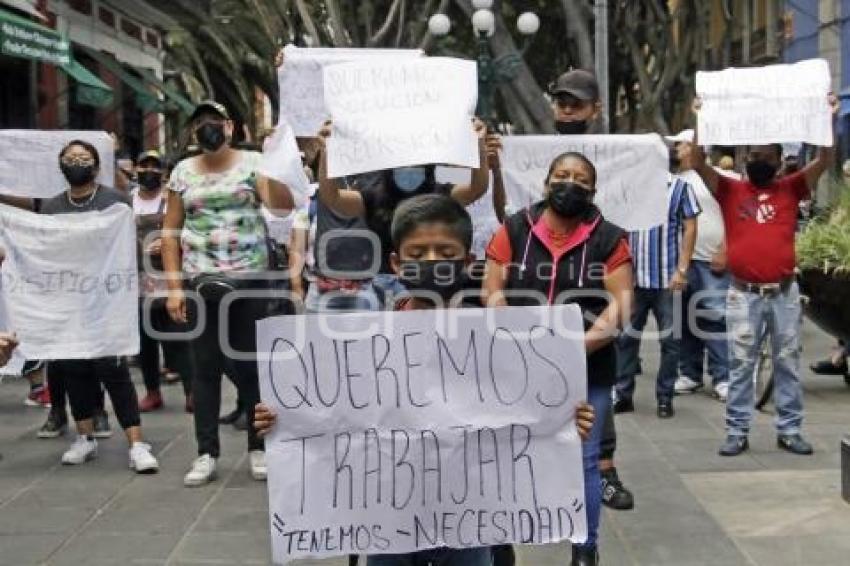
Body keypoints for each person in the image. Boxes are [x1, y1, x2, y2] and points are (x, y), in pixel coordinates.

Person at [255, 193, 596, 566]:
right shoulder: (362, 340)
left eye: (445, 253)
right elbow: (331, 412)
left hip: (472, 521)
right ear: (397, 264)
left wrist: (561, 426)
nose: (432, 262)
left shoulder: (498, 339)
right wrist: (283, 420)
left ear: (468, 262)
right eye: (418, 255)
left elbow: (526, 413)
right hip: (387, 522)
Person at [483, 153, 633, 566]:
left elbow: (621, 304)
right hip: (517, 365)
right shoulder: (515, 228)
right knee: (506, 453)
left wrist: (576, 347)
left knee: (584, 459)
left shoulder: (610, 238)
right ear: (546, 182)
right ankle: (500, 544)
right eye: (562, 175)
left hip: (587, 368)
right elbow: (492, 285)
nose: (570, 182)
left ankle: (585, 548)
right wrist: (509, 327)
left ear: (592, 190)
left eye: (580, 178)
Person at [690, 94, 839, 456]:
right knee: (741, 365)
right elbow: (697, 162)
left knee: (788, 362)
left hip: (784, 293)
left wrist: (828, 119)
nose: (761, 162)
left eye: (768, 157)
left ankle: (789, 429)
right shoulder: (730, 190)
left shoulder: (791, 188)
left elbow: (825, 159)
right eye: (755, 157)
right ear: (745, 160)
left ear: (779, 161)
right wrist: (699, 121)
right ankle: (737, 431)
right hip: (744, 294)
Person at [162, 101, 296, 486]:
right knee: (204, 368)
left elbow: (282, 207)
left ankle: (258, 446)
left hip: (248, 282)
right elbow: (170, 231)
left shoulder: (254, 165)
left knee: (250, 365)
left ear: (230, 126)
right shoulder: (182, 172)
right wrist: (173, 289)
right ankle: (206, 452)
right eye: (199, 123)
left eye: (214, 122)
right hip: (200, 283)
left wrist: (279, 170)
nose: (207, 128)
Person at [17, 140, 159, 472]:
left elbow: (126, 248)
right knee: (72, 367)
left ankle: (137, 443)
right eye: (70, 158)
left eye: (83, 158)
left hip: (107, 301)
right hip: (68, 301)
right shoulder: (52, 208)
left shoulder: (115, 201)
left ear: (96, 166)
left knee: (114, 370)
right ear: (61, 166)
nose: (76, 163)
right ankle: (85, 438)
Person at [316, 118, 490, 307]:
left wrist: (478, 145)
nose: (409, 170)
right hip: (384, 283)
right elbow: (332, 197)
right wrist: (328, 152)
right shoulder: (373, 196)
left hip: (435, 282)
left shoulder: (442, 193)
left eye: (417, 166)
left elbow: (477, 187)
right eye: (401, 166)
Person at [614, 147, 701, 418]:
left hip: (667, 278)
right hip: (635, 278)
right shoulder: (632, 188)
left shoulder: (679, 188)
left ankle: (665, 397)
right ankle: (623, 393)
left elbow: (690, 227)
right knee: (627, 338)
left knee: (671, 342)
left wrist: (682, 269)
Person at [667, 130, 730, 401]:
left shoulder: (721, 178)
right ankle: (690, 373)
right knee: (684, 319)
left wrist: (726, 249)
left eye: (681, 143)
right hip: (680, 260)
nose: (677, 148)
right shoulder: (672, 180)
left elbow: (737, 214)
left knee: (713, 317)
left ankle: (723, 376)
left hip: (709, 259)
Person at [133, 150, 194, 413]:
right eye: (144, 165)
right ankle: (152, 391)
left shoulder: (172, 200)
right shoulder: (127, 201)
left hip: (168, 278)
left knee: (179, 338)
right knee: (144, 342)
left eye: (154, 166)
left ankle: (191, 391)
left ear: (164, 172)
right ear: (135, 169)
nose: (149, 171)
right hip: (137, 279)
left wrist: (171, 244)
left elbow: (189, 229)